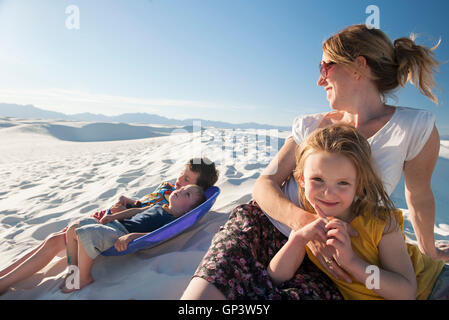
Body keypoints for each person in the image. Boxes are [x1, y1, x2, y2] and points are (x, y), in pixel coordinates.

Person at [182, 24, 445, 300]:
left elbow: (419, 195)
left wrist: (429, 250)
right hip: (265, 227)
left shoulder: (414, 127)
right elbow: (265, 184)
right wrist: (305, 225)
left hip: (333, 262)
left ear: (358, 67)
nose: (320, 80)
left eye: (325, 67)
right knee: (199, 300)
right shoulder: (310, 126)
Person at [268, 124, 448, 300]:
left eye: (343, 183)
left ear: (358, 185)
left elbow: (405, 293)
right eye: (317, 179)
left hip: (434, 286)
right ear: (302, 180)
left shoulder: (380, 223)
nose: (329, 193)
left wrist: (353, 263)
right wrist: (298, 239)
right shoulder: (307, 225)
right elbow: (276, 276)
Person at [0, 157, 218, 294]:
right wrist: (125, 204)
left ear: (196, 192)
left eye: (187, 180)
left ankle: (5, 282)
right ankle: (5, 277)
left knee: (55, 241)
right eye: (182, 174)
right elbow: (142, 206)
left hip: (116, 228)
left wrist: (121, 217)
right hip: (112, 218)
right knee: (54, 239)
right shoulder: (169, 191)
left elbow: (154, 222)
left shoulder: (175, 205)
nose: (180, 181)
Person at [60, 184, 206, 293]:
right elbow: (135, 211)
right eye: (182, 189)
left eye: (187, 194)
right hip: (114, 224)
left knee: (87, 233)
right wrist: (113, 216)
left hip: (120, 235)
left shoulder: (172, 220)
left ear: (188, 210)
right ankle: (73, 272)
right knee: (74, 228)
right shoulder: (160, 205)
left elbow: (156, 235)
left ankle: (84, 278)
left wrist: (130, 237)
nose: (180, 191)